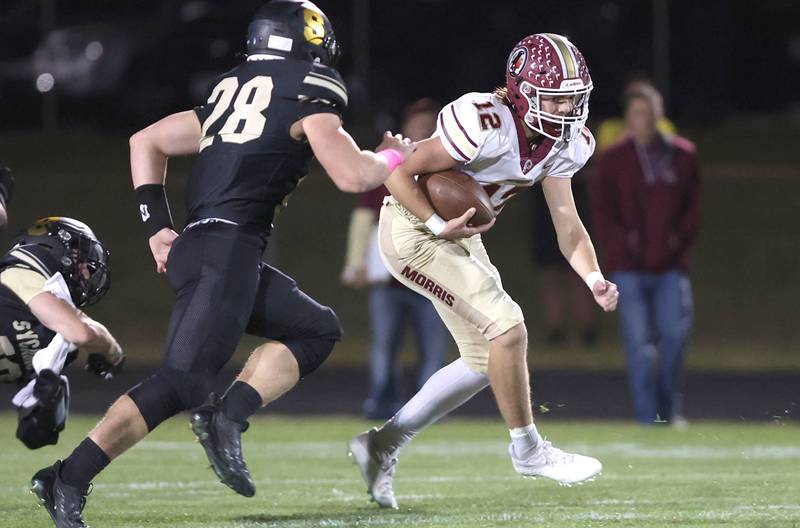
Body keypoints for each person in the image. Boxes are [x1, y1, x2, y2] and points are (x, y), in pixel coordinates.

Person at [31, 2, 413, 526]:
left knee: (316, 329)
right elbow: (352, 175)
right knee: (180, 383)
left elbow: (146, 140)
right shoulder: (312, 88)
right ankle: (66, 477)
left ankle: (227, 417)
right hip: (225, 252)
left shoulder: (231, 91)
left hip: (211, 249)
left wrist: (157, 227)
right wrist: (393, 156)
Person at [348, 33, 619, 509]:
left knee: (483, 358)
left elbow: (568, 222)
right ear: (521, 92)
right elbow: (393, 168)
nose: (568, 108)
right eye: (556, 96)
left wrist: (593, 277)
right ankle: (528, 450)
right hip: (411, 228)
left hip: (459, 236)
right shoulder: (483, 120)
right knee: (509, 329)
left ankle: (381, 445)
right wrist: (435, 221)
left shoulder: (566, 143)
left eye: (575, 97)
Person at [590, 86, 700, 424]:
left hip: (670, 266)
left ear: (660, 114)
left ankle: (669, 408)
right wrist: (623, 247)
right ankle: (646, 416)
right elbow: (602, 213)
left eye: (650, 112)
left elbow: (691, 211)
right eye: (637, 113)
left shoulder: (683, 155)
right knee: (639, 346)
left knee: (674, 338)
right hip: (628, 268)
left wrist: (674, 243)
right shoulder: (611, 160)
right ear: (627, 117)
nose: (644, 120)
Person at [341, 98, 450, 419]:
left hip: (432, 276)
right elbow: (364, 216)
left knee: (433, 348)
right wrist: (355, 263)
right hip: (389, 274)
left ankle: (425, 409)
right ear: (406, 127)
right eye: (420, 124)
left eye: (430, 125)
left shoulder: (447, 163)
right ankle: (380, 403)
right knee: (385, 347)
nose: (424, 130)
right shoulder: (390, 160)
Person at [0, 217, 122, 450]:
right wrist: (110, 350)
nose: (86, 273)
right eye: (81, 261)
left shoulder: (55, 335)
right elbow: (82, 333)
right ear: (53, 248)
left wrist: (45, 407)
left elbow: (33, 435)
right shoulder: (23, 270)